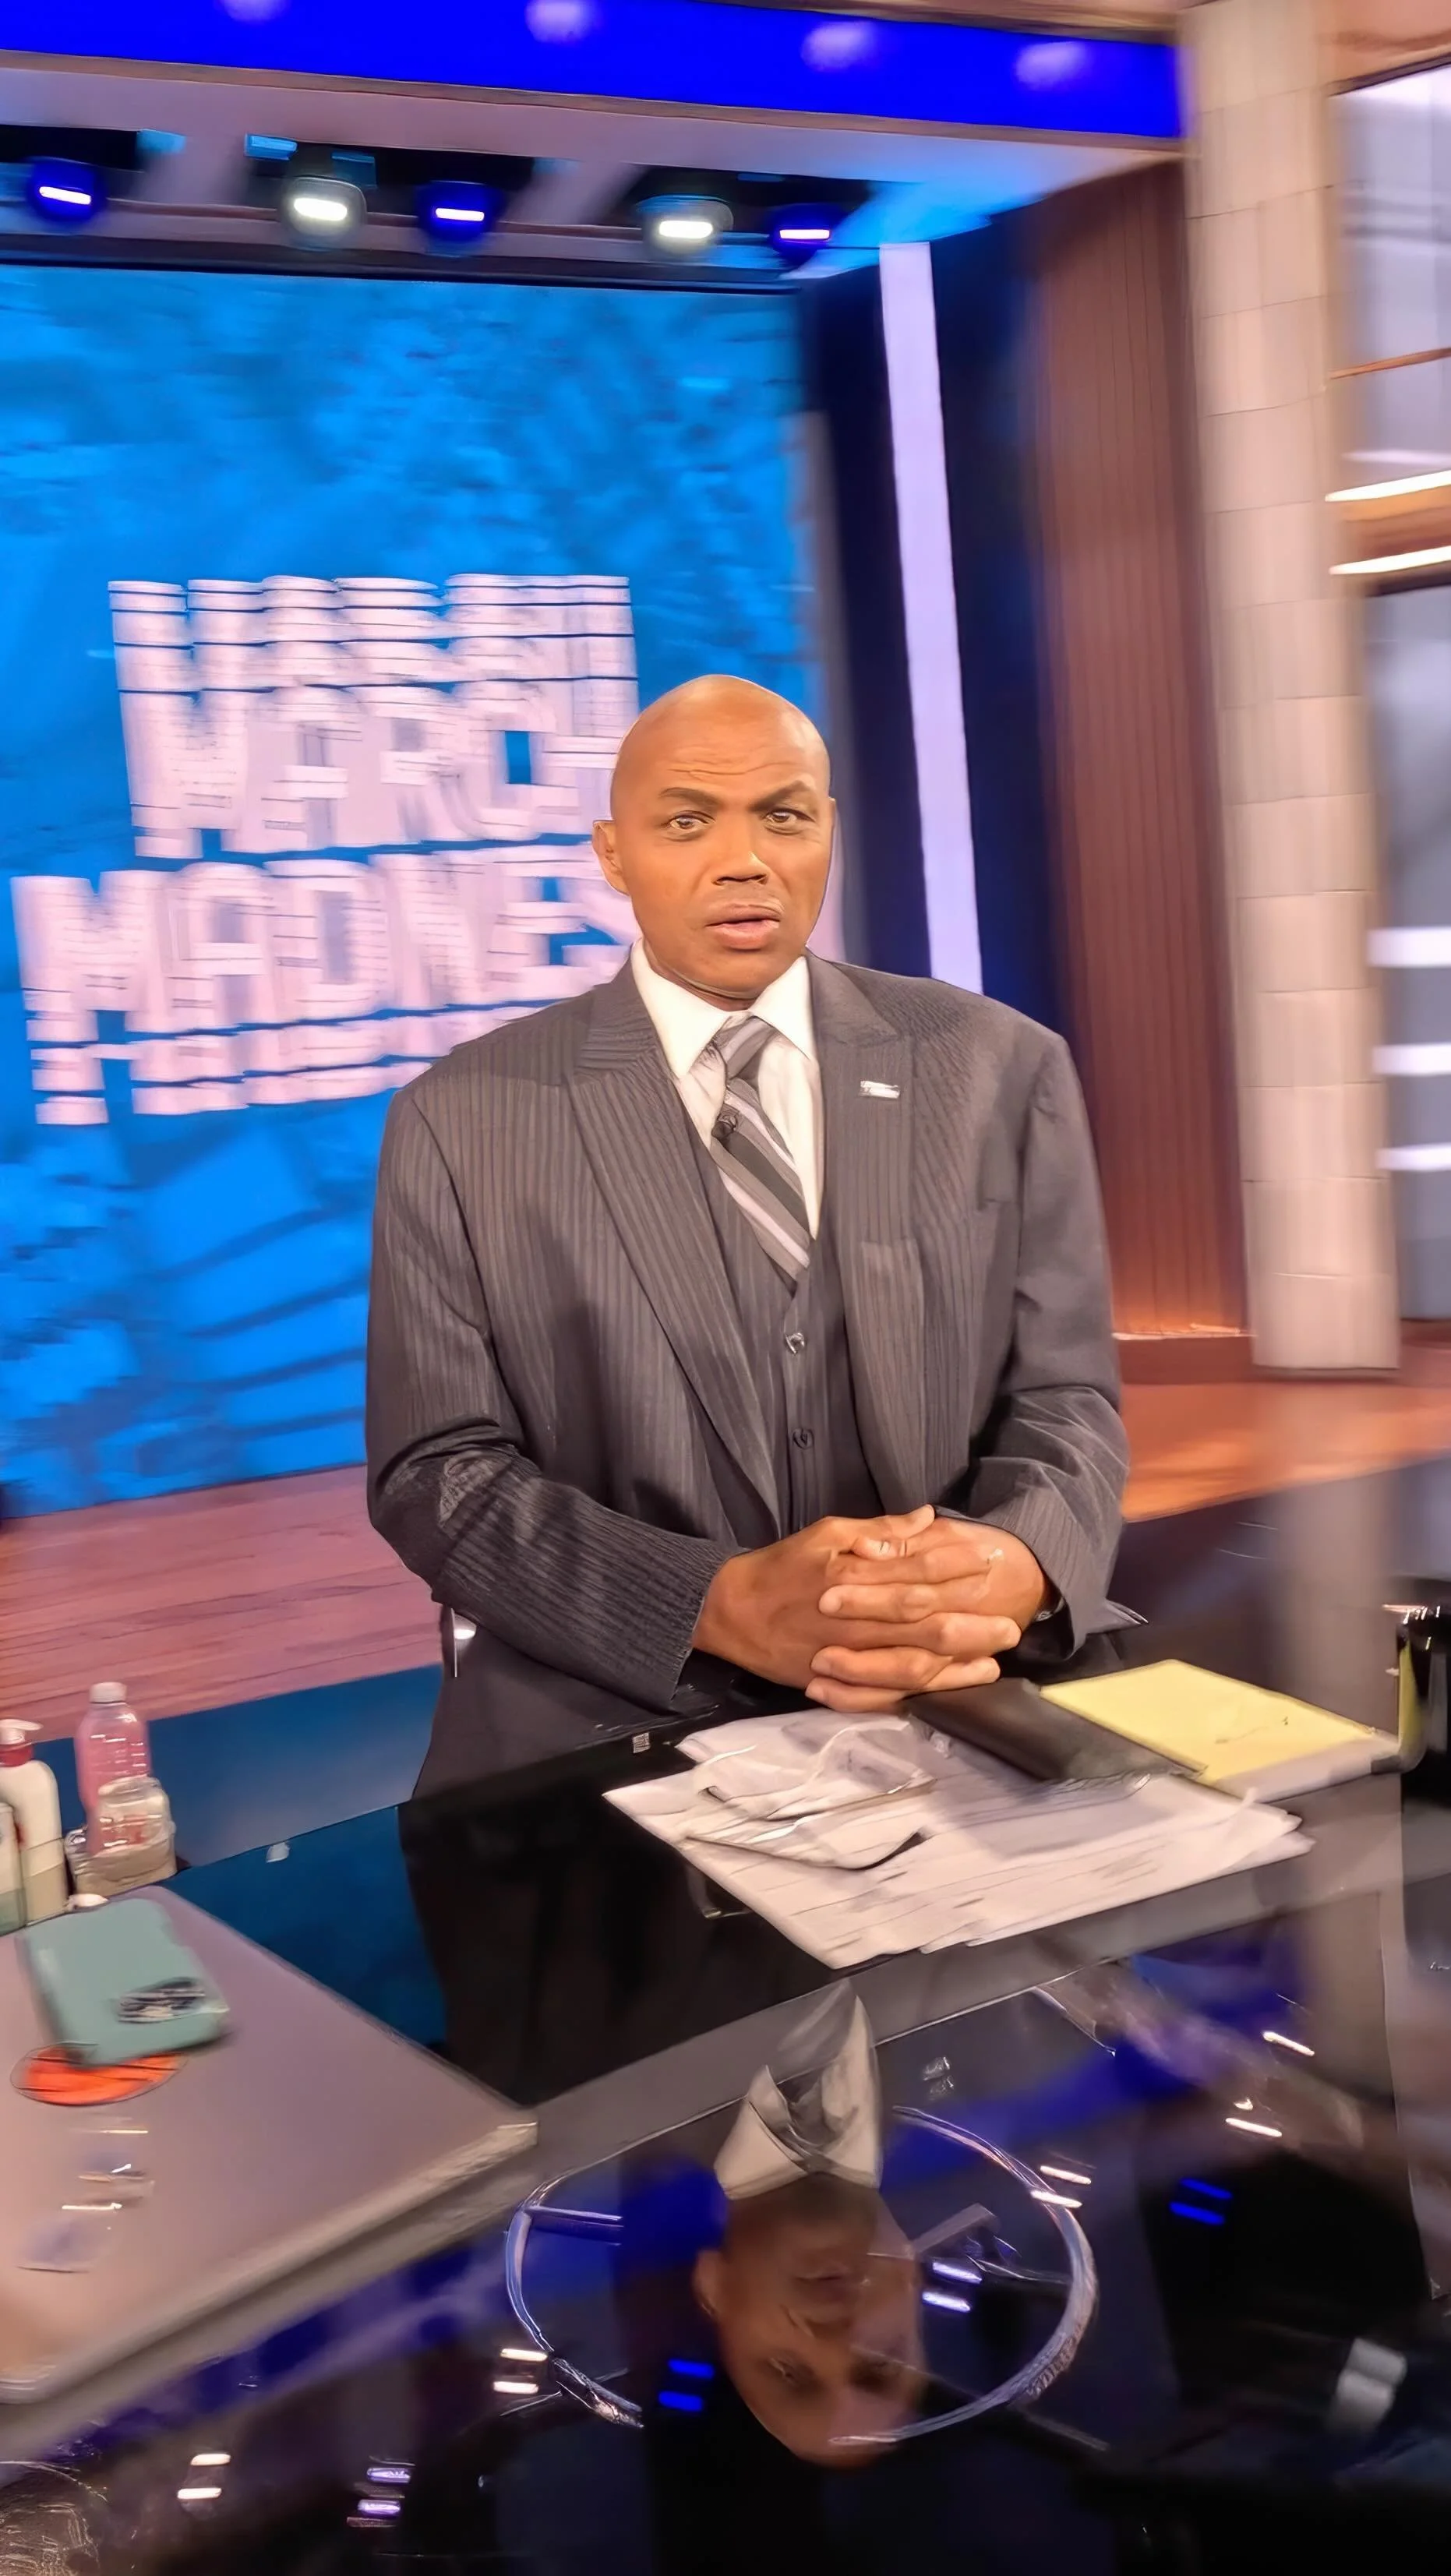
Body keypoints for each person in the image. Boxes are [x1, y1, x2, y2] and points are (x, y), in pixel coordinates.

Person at [366, 675, 1127, 1716]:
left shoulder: (1002, 1067)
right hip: (625, 1701)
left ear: (828, 831)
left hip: (966, 1671)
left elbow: (1066, 1396)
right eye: (687, 822)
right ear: (612, 854)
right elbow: (437, 1471)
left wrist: (1012, 1563)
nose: (745, 859)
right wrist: (715, 1605)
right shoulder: (461, 1118)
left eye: (783, 816)